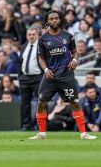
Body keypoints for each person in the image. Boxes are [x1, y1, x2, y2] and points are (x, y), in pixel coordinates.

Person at [29, 10, 96, 140]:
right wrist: (46, 70)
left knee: (75, 103)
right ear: (47, 22)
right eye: (51, 19)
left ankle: (83, 134)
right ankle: (42, 134)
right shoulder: (43, 39)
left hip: (66, 76)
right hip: (50, 77)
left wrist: (75, 60)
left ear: (60, 20)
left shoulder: (68, 36)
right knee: (41, 102)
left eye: (56, 18)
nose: (54, 20)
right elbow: (41, 58)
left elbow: (75, 52)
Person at [18, 27, 43, 130]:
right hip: (25, 78)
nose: (31, 36)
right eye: (29, 34)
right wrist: (20, 76)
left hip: (38, 78)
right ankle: (26, 125)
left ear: (37, 35)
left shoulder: (42, 47)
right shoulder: (23, 47)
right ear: (27, 36)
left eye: (33, 34)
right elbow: (20, 63)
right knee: (25, 104)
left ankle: (40, 125)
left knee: (41, 103)